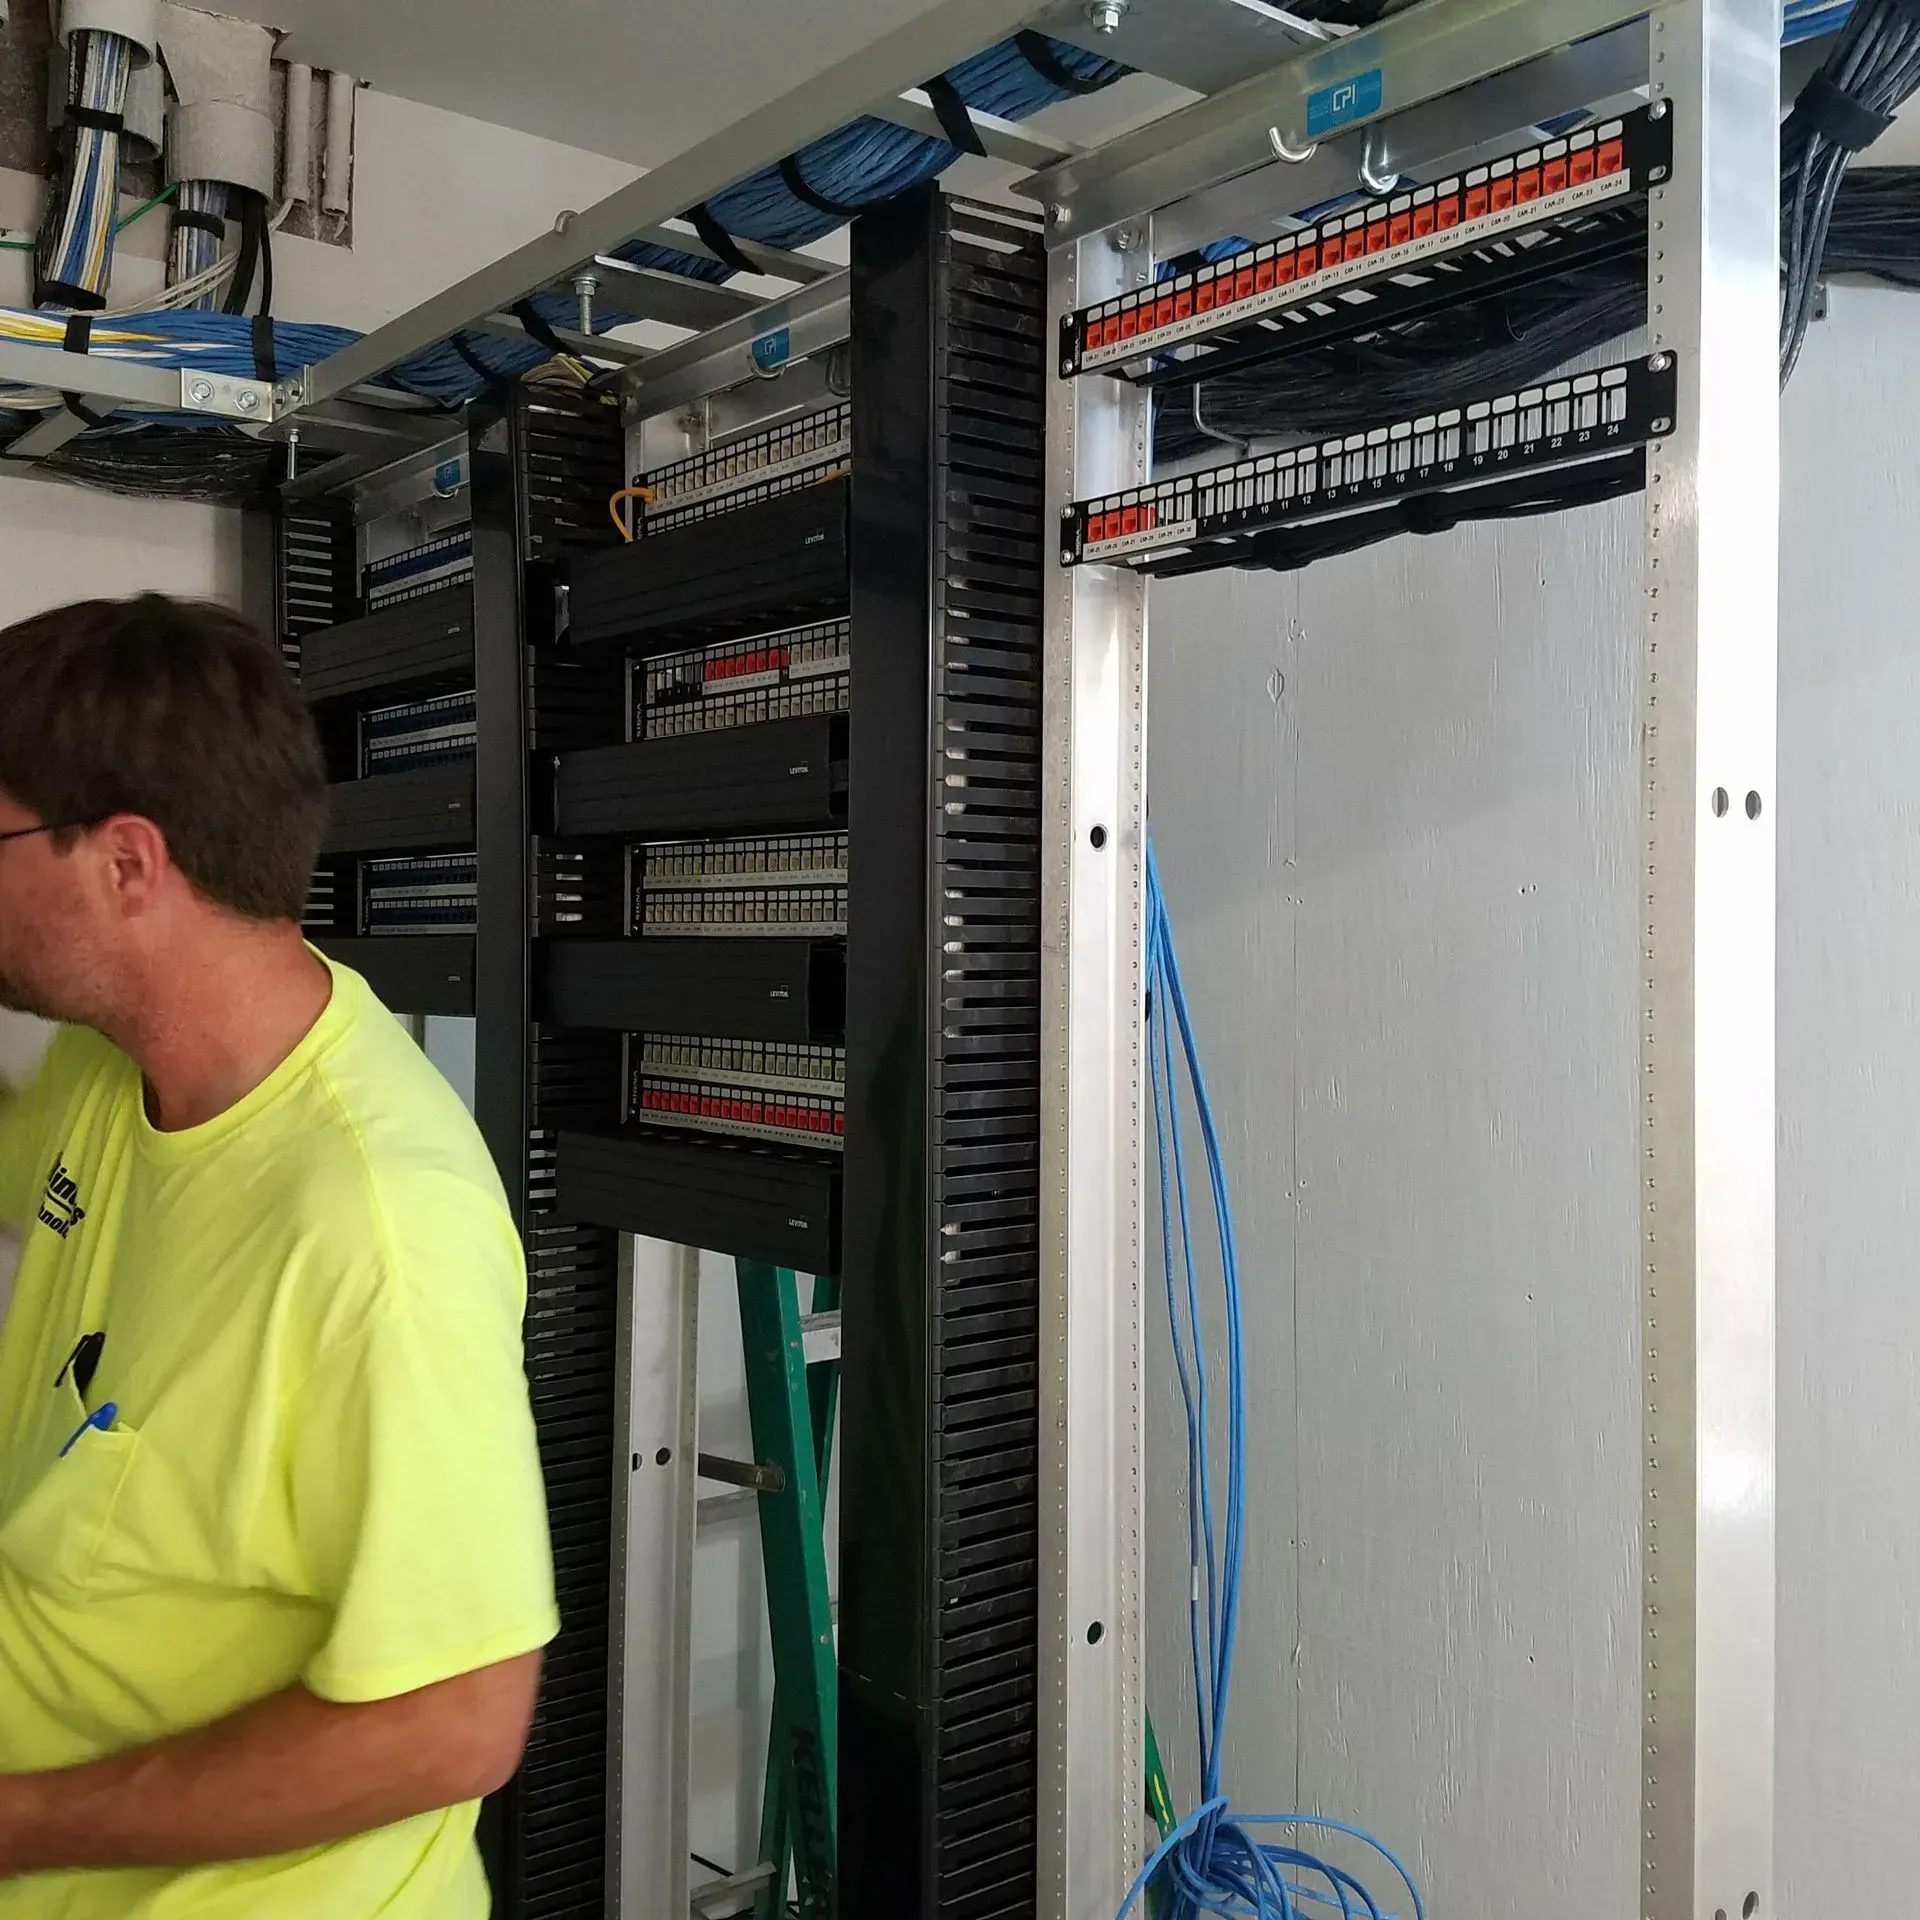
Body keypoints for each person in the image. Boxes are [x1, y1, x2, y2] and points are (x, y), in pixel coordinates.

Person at [0, 594, 557, 1917]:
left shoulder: (377, 1235)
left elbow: (456, 1724)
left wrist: (17, 1825)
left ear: (126, 864)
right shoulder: (112, 1064)